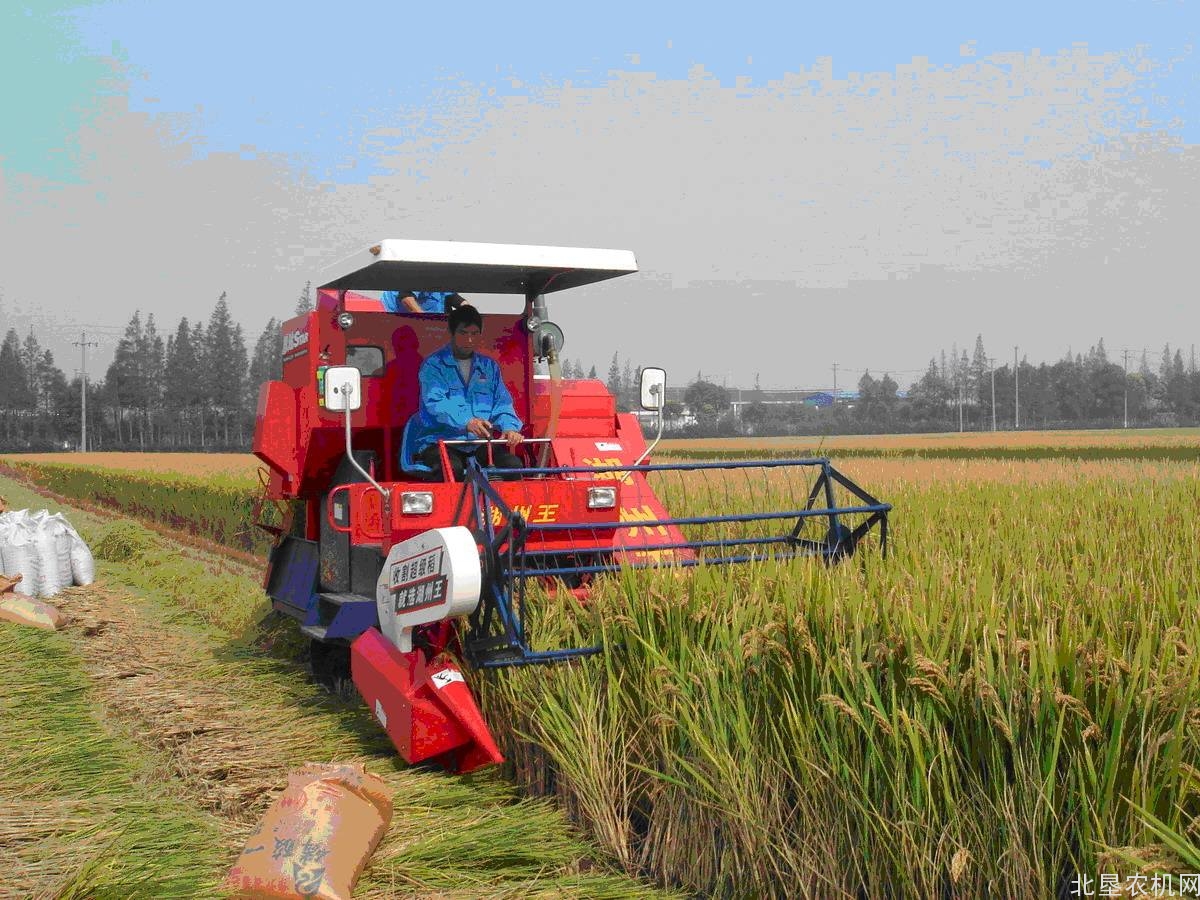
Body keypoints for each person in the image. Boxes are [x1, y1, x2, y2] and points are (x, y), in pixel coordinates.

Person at [407, 305, 524, 481]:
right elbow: (436, 403)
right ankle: (451, 509)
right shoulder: (433, 366)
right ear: (452, 332)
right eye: (463, 333)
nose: (469, 339)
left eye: (474, 334)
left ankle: (507, 509)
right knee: (450, 469)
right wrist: (467, 422)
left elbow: (502, 402)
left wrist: (509, 427)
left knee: (512, 466)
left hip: (479, 445)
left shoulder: (489, 367)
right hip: (441, 442)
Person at [381, 290, 469, 314]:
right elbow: (406, 298)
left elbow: (458, 300)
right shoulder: (418, 274)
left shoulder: (443, 282)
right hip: (398, 321)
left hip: (438, 329)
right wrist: (425, 319)